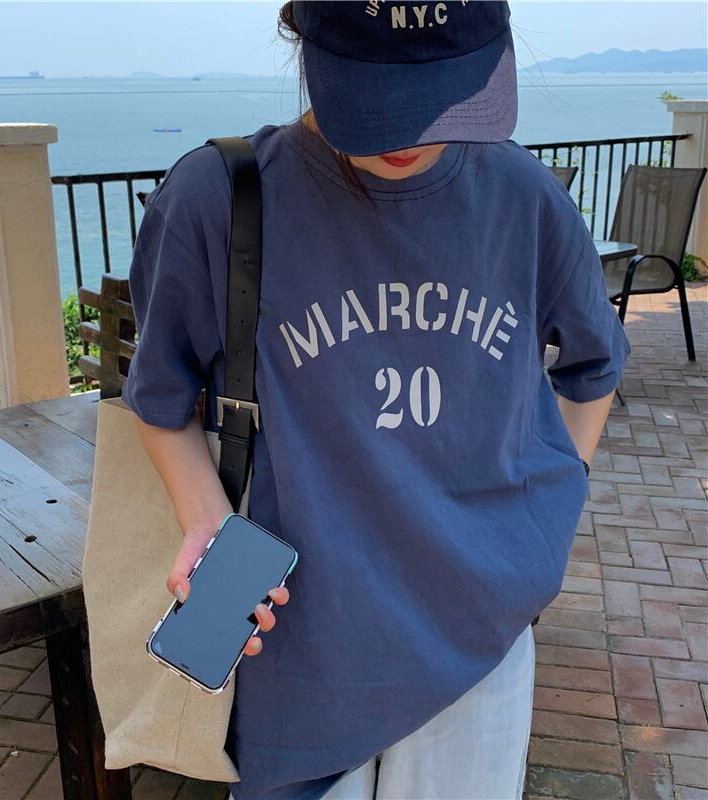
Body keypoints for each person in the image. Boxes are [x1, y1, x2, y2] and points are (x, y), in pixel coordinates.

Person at [121, 1, 632, 798]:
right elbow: (159, 398)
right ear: (305, 37)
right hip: (300, 656)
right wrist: (205, 518)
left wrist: (544, 521)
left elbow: (594, 366)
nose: (408, 131)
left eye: (437, 92)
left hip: (482, 643)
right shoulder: (216, 200)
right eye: (375, 93)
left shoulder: (525, 199)